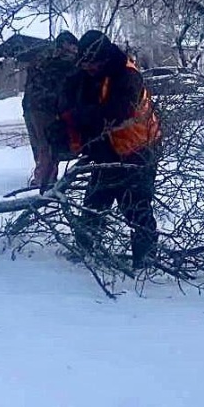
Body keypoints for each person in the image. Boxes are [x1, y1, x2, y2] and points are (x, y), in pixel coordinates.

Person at [60, 30, 162, 270]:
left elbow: (115, 113)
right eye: (85, 63)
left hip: (137, 150)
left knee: (136, 206)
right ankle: (84, 250)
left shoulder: (127, 76)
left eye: (92, 63)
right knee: (95, 201)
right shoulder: (87, 76)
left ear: (104, 59)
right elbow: (76, 105)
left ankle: (145, 258)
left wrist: (78, 117)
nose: (89, 68)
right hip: (107, 150)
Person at [22, 31, 80, 189]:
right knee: (48, 144)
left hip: (30, 105)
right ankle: (45, 181)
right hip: (47, 108)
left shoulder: (41, 57)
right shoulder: (63, 60)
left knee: (39, 144)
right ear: (65, 45)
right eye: (73, 47)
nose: (75, 50)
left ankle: (42, 174)